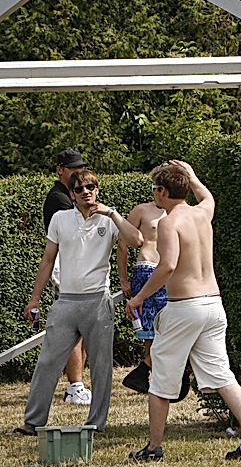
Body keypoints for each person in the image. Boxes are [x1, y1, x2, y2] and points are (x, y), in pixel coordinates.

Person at [127, 160, 241, 462]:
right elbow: (208, 198)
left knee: (161, 379)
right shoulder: (202, 214)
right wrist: (192, 177)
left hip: (184, 308)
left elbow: (168, 266)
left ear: (162, 191)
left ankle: (153, 449)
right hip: (213, 305)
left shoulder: (168, 222)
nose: (154, 194)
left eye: (155, 189)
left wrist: (138, 298)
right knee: (221, 374)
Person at [9, 169, 143, 437]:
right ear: (72, 194)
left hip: (98, 301)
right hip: (66, 302)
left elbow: (137, 240)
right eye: (80, 189)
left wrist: (112, 212)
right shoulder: (60, 219)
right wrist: (35, 298)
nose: (87, 192)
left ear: (97, 189)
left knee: (102, 366)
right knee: (47, 362)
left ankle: (96, 424)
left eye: (91, 187)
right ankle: (32, 423)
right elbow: (48, 260)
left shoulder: (111, 218)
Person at [41, 149, 91, 407]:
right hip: (66, 272)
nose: (77, 173)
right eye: (73, 169)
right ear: (60, 169)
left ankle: (78, 384)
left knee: (81, 332)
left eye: (81, 167)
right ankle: (75, 386)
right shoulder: (59, 200)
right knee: (73, 332)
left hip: (74, 270)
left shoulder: (66, 196)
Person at [117, 196, 169, 396]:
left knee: (170, 326)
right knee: (149, 330)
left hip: (170, 272)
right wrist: (123, 280)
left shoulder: (178, 210)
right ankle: (151, 377)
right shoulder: (141, 210)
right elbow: (123, 245)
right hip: (147, 268)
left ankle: (145, 371)